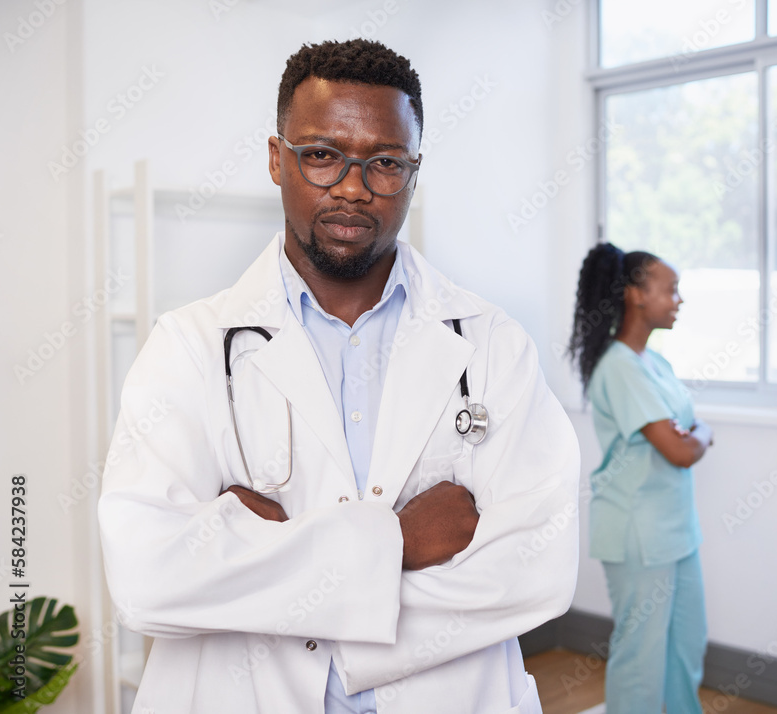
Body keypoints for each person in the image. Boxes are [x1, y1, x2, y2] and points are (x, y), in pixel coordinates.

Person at [98, 39, 580, 714]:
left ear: (414, 172)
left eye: (385, 163)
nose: (354, 188)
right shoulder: (189, 347)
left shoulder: (493, 345)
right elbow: (147, 576)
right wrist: (400, 542)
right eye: (322, 155)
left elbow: (538, 567)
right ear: (277, 159)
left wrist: (265, 563)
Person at [568, 243, 713, 714]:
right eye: (670, 290)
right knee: (642, 655)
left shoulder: (656, 363)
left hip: (675, 526)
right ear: (634, 294)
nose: (678, 300)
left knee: (685, 645)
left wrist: (697, 434)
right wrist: (702, 435)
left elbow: (688, 437)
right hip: (638, 530)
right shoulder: (619, 367)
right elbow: (679, 448)